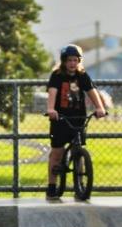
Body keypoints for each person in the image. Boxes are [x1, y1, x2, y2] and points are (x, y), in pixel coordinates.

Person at [44, 44, 108, 201]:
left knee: (78, 151)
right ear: (64, 61)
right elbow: (52, 92)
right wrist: (51, 109)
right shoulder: (57, 76)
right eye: (69, 60)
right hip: (60, 119)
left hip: (78, 118)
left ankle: (80, 185)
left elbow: (91, 91)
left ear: (79, 61)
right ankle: (52, 186)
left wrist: (100, 107)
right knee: (57, 153)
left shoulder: (82, 76)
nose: (72, 63)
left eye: (75, 60)